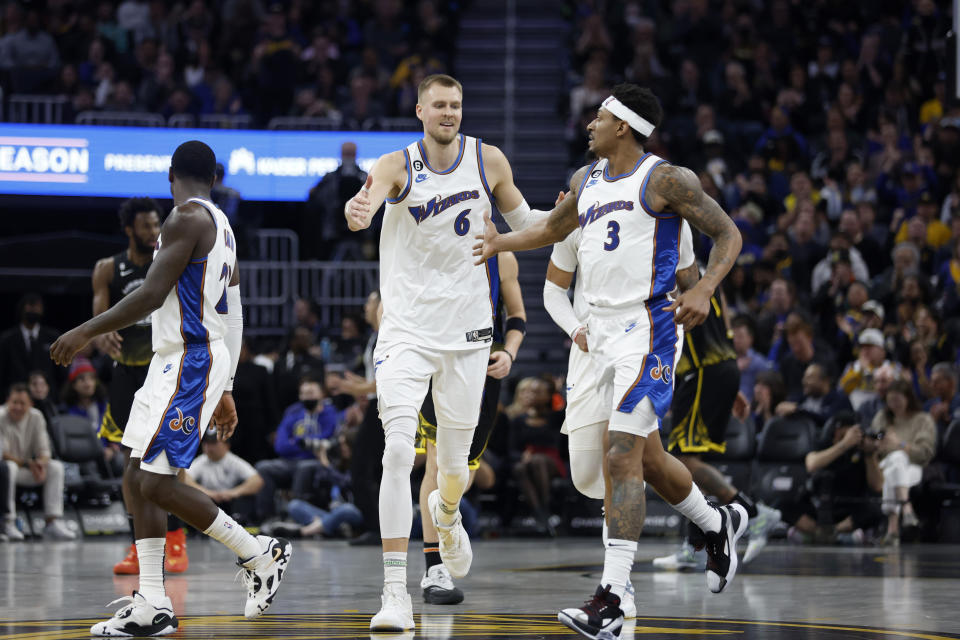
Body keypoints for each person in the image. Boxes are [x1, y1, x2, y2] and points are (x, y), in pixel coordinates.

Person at [475, 83, 747, 640]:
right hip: (595, 336)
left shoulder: (667, 179)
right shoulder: (586, 180)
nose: (589, 124)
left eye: (598, 117)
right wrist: (498, 244)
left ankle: (613, 599)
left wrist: (704, 292)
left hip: (646, 330)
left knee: (621, 453)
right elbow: (553, 230)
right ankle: (715, 522)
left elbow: (728, 234)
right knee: (640, 460)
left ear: (623, 125)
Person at [50, 140, 291, 636]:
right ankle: (153, 603)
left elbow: (151, 294)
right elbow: (235, 311)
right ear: (217, 174)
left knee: (158, 484)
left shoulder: (185, 219)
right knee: (136, 474)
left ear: (169, 174)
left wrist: (83, 332)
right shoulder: (221, 224)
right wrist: (228, 385)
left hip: (190, 359)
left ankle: (257, 551)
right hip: (179, 361)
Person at [343, 73, 548, 632]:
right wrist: (357, 211)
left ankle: (449, 514)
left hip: (468, 338)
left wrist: (567, 221)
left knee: (453, 472)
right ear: (419, 110)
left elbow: (527, 224)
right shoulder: (396, 164)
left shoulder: (490, 162)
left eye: (456, 104)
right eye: (439, 104)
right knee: (397, 451)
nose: (449, 112)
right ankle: (394, 593)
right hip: (406, 334)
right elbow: (363, 202)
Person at [415, 250, 526, 605]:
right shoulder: (428, 243)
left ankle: (448, 515)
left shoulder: (503, 257)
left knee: (463, 470)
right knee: (436, 462)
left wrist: (508, 352)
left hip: (483, 361)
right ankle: (434, 567)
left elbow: (518, 317)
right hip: (438, 355)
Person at [91, 196, 192, 577]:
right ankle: (140, 547)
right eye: (147, 226)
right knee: (129, 463)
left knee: (169, 460)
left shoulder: (169, 260)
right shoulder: (107, 268)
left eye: (157, 225)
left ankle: (177, 540)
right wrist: (100, 336)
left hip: (162, 370)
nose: (154, 232)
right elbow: (100, 315)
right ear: (130, 228)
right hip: (125, 374)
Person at [655, 283, 782, 570]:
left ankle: (753, 513)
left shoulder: (669, 268)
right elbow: (724, 325)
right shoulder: (709, 276)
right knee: (688, 462)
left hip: (702, 371)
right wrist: (728, 380)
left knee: (684, 462)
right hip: (717, 367)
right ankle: (697, 544)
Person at [781, 411, 884, 545]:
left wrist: (870, 455)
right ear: (837, 430)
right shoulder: (823, 444)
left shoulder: (862, 450)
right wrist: (844, 444)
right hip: (820, 506)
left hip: (849, 507)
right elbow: (811, 464)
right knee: (784, 505)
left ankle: (832, 532)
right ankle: (820, 533)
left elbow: (877, 486)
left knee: (874, 509)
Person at [254, 377, 339, 521]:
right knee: (263, 467)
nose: (307, 397)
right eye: (304, 393)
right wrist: (304, 444)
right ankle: (266, 517)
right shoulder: (293, 412)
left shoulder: (330, 413)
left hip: (317, 461)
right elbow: (280, 445)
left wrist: (297, 442)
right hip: (289, 461)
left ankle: (296, 517)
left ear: (321, 394)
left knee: (304, 468)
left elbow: (327, 439)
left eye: (311, 393)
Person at [0, 384, 75, 540]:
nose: (18, 407)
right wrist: (30, 464)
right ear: (8, 401)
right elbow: (3, 454)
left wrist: (41, 464)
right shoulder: (0, 416)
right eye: (14, 402)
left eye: (22, 403)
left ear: (30, 404)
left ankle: (52, 522)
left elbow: (44, 450)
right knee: (9, 468)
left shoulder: (36, 416)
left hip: (29, 468)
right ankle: (8, 521)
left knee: (55, 467)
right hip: (8, 469)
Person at [870, 380, 938, 546]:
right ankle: (906, 508)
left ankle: (892, 529)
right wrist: (879, 443)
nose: (894, 405)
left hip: (914, 466)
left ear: (908, 398)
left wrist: (900, 444)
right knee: (895, 460)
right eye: (890, 400)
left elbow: (924, 452)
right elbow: (876, 438)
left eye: (898, 400)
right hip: (885, 462)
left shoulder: (923, 420)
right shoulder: (883, 418)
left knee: (897, 462)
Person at [185, 430, 263, 524]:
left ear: (226, 445)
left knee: (245, 499)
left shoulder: (234, 461)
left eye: (214, 443)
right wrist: (207, 493)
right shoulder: (201, 461)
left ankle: (241, 524)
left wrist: (234, 493)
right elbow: (184, 479)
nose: (209, 447)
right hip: (208, 504)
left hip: (230, 503)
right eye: (206, 443)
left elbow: (257, 481)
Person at [0, 293, 62, 397]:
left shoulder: (53, 337)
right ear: (22, 309)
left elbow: (60, 371)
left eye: (37, 307)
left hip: (47, 398)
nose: (34, 310)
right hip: (16, 398)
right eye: (30, 306)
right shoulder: (7, 339)